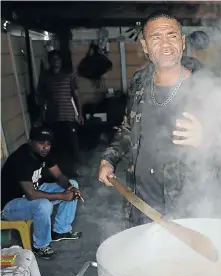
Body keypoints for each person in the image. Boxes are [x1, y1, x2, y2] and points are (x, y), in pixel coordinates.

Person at [98, 12, 205, 226]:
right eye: (156, 37)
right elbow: (128, 127)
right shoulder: (139, 82)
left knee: (185, 259)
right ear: (145, 46)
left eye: (172, 36)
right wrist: (109, 159)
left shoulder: (206, 84)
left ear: (182, 42)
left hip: (189, 206)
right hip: (142, 203)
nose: (165, 44)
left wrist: (208, 137)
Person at [1, 127, 83, 259]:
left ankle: (60, 231)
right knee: (44, 205)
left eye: (48, 144)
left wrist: (70, 188)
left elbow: (59, 176)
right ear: (30, 142)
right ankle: (40, 246)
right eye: (41, 143)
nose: (45, 147)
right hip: (11, 205)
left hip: (33, 192)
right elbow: (31, 194)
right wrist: (62, 196)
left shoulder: (45, 154)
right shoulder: (21, 158)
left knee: (72, 184)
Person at [37, 50, 84, 177]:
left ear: (61, 61)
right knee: (56, 146)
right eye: (53, 59)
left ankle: (74, 170)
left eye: (58, 59)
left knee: (71, 145)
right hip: (52, 118)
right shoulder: (45, 77)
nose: (56, 61)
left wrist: (79, 114)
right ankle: (58, 172)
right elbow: (42, 97)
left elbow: (76, 96)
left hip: (68, 116)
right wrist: (41, 115)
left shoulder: (69, 75)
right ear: (50, 61)